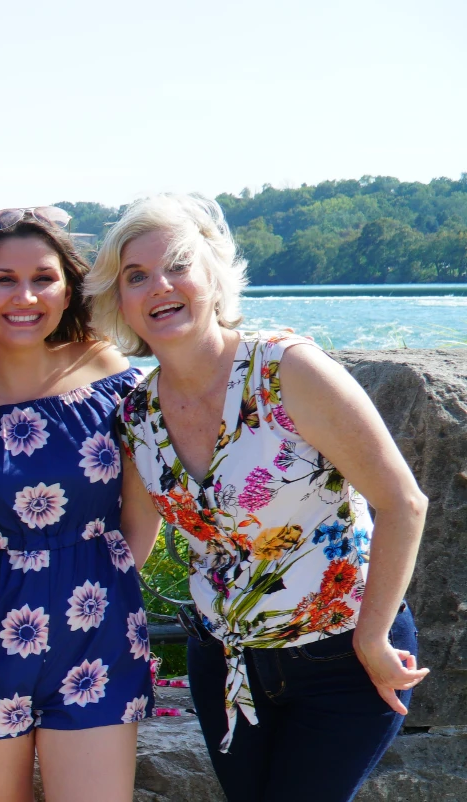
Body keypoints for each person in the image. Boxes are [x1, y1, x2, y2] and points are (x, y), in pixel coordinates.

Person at [91, 194, 427, 802]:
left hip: (344, 660)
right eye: (135, 276)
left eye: (178, 265)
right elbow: (131, 544)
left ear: (214, 276)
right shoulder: (137, 414)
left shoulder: (286, 371)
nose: (159, 285)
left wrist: (374, 639)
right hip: (224, 667)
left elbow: (404, 502)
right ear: (121, 302)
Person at [0, 206, 157, 801]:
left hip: (97, 627)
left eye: (43, 278)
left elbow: (142, 503)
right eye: (4, 279)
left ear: (67, 289)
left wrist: (110, 581)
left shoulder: (107, 371)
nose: (25, 295)